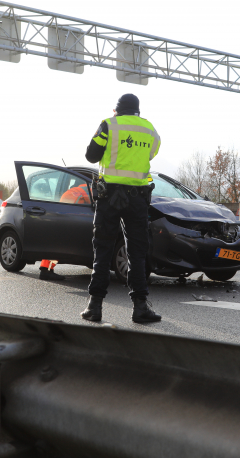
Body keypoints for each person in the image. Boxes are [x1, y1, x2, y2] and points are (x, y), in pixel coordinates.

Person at [81, 93, 162, 324]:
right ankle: (140, 307)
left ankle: (94, 306)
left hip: (110, 197)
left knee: (103, 249)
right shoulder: (150, 130)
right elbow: (151, 153)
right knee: (137, 253)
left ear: (117, 110)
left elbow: (90, 155)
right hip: (138, 199)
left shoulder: (108, 125)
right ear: (137, 111)